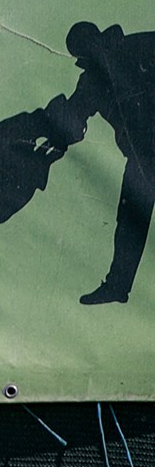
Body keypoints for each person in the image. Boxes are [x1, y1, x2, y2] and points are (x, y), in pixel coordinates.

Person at [62, 20, 155, 306]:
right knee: (129, 221)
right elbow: (73, 118)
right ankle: (117, 286)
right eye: (84, 51)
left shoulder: (139, 44)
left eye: (91, 42)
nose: (92, 51)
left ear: (100, 36)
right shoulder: (91, 82)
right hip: (141, 158)